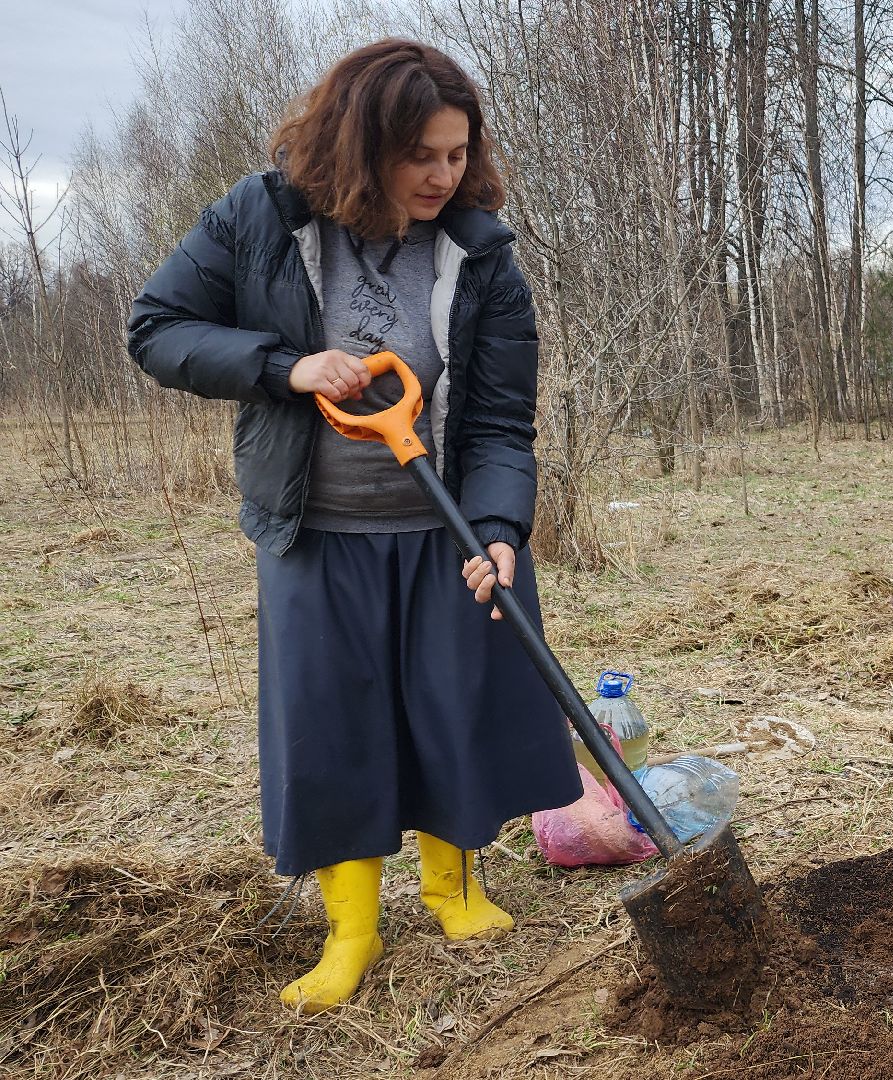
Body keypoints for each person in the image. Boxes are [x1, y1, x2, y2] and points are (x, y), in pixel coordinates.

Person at [127, 39, 581, 1015]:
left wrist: (499, 529)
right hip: (316, 530)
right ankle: (352, 930)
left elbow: (502, 420)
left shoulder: (480, 253)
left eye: (457, 153)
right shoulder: (261, 219)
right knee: (331, 728)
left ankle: (456, 889)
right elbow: (156, 327)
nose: (442, 175)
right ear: (360, 142)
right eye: (420, 153)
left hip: (446, 529)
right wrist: (285, 366)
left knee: (455, 708)